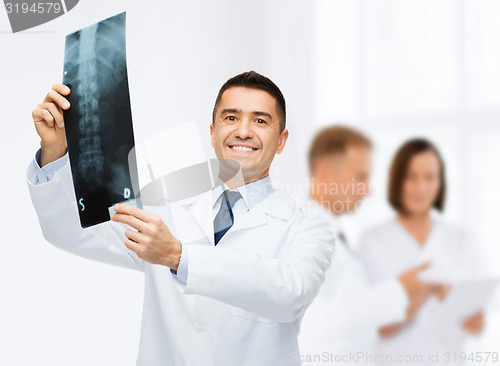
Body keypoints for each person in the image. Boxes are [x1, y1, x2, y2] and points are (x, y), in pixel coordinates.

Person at [26, 71, 335, 366]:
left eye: (260, 120)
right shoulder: (164, 205)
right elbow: (71, 231)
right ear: (213, 134)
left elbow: (290, 294)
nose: (243, 130)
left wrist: (178, 256)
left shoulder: (307, 227)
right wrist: (54, 150)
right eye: (231, 117)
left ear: (281, 141)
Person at [298, 126, 436, 365]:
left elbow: (354, 318)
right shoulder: (303, 234)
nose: (368, 190)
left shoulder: (335, 234)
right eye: (360, 177)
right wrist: (399, 290)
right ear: (323, 173)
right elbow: (317, 328)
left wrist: (410, 298)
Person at [357, 138, 484, 364]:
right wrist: (426, 289)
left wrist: (450, 299)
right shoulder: (373, 241)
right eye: (411, 177)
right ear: (398, 180)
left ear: (440, 183)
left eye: (429, 177)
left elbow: (476, 325)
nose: (421, 187)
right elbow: (382, 326)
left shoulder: (463, 241)